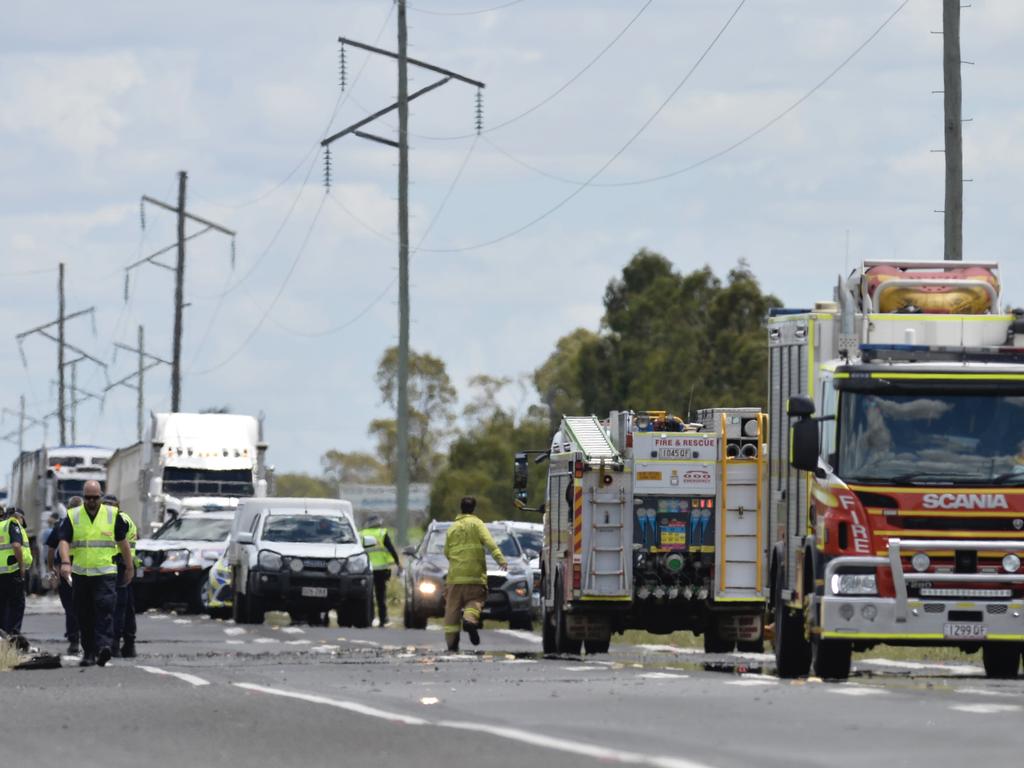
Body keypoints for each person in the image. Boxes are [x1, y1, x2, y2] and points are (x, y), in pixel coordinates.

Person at [57, 480, 134, 667]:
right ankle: (89, 652)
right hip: (81, 574)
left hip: (105, 573)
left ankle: (103, 647)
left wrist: (130, 567)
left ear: (101, 496)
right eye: (88, 497)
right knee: (84, 614)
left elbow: (123, 543)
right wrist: (65, 562)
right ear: (83, 497)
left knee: (105, 610)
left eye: (95, 497)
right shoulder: (73, 515)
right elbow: (64, 541)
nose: (91, 501)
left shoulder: (112, 515)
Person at [442, 497, 507, 652]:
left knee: (452, 610)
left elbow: (446, 552)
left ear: (461, 508)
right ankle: (469, 620)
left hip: (455, 578)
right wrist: (501, 560)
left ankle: (452, 644)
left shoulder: (452, 528)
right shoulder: (477, 524)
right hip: (475, 576)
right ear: (473, 509)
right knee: (475, 600)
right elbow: (489, 542)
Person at [104, 493, 138, 658]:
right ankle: (129, 645)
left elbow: (120, 544)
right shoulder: (127, 518)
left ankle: (115, 643)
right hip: (127, 566)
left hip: (119, 565)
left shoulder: (116, 520)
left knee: (116, 607)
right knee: (127, 608)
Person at [47, 497, 80, 655]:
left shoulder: (61, 524)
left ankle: (74, 639)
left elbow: (51, 549)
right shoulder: (85, 523)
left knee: (70, 606)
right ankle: (86, 638)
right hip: (84, 569)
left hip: (65, 570)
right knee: (86, 605)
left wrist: (51, 569)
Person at [359, 514, 402, 627]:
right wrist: (398, 562)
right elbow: (391, 548)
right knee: (380, 596)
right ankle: (383, 619)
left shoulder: (362, 534)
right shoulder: (382, 533)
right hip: (381, 570)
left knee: (368, 595)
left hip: (366, 569)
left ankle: (369, 618)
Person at [0, 506, 26, 641]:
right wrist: (21, 566)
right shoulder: (11, 524)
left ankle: (3, 638)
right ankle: (13, 637)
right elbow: (16, 545)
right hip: (11, 572)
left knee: (2, 606)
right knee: (17, 605)